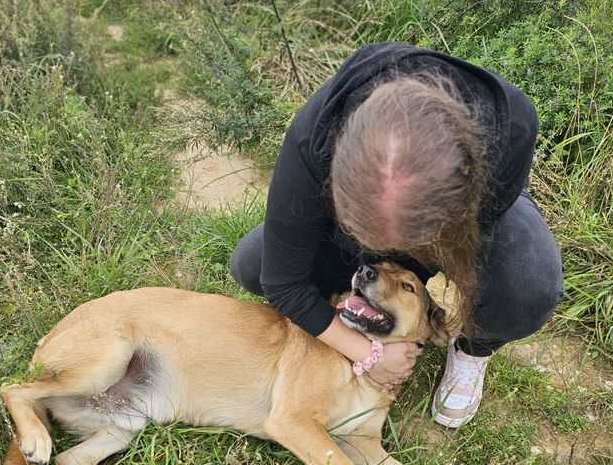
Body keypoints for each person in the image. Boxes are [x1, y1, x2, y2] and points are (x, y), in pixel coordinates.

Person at [230, 42, 564, 428]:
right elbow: (282, 282)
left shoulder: (512, 131)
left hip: (471, 205)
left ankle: (473, 350)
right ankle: (355, 297)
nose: (385, 250)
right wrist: (366, 353)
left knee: (527, 286)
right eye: (365, 236)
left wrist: (424, 292)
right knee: (254, 264)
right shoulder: (313, 137)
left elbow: (473, 244)